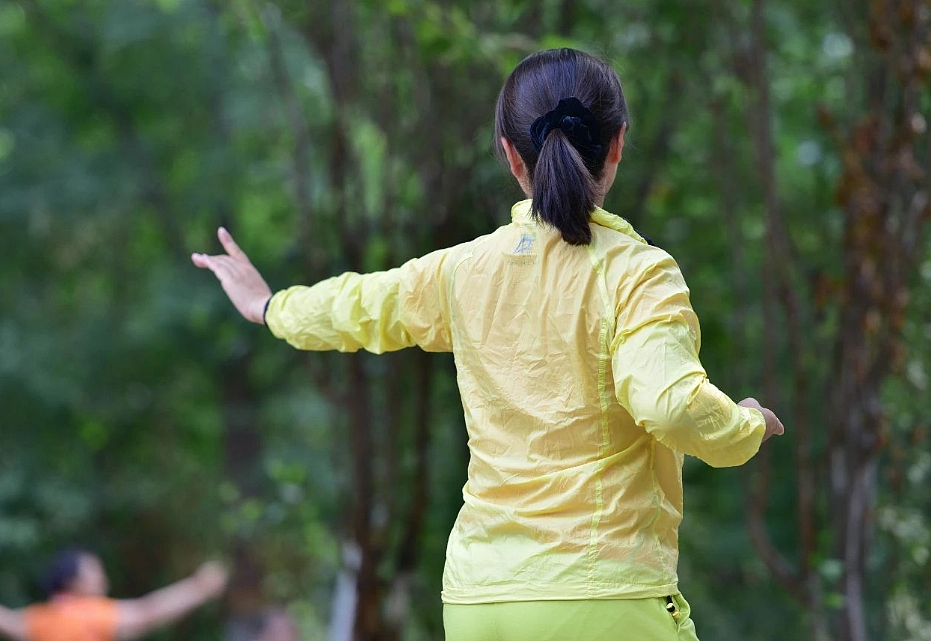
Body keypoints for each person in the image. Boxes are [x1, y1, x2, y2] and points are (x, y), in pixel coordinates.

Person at [191, 48, 785, 641]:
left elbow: (363, 305)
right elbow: (671, 405)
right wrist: (743, 426)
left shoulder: (465, 271)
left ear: (509, 154)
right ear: (617, 144)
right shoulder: (638, 273)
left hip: (481, 604)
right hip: (600, 595)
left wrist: (270, 307)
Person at [0, 548, 228, 641]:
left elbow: (7, 620)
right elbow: (146, 612)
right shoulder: (90, 613)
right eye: (94, 570)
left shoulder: (39, 618)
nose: (102, 576)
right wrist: (198, 588)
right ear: (72, 581)